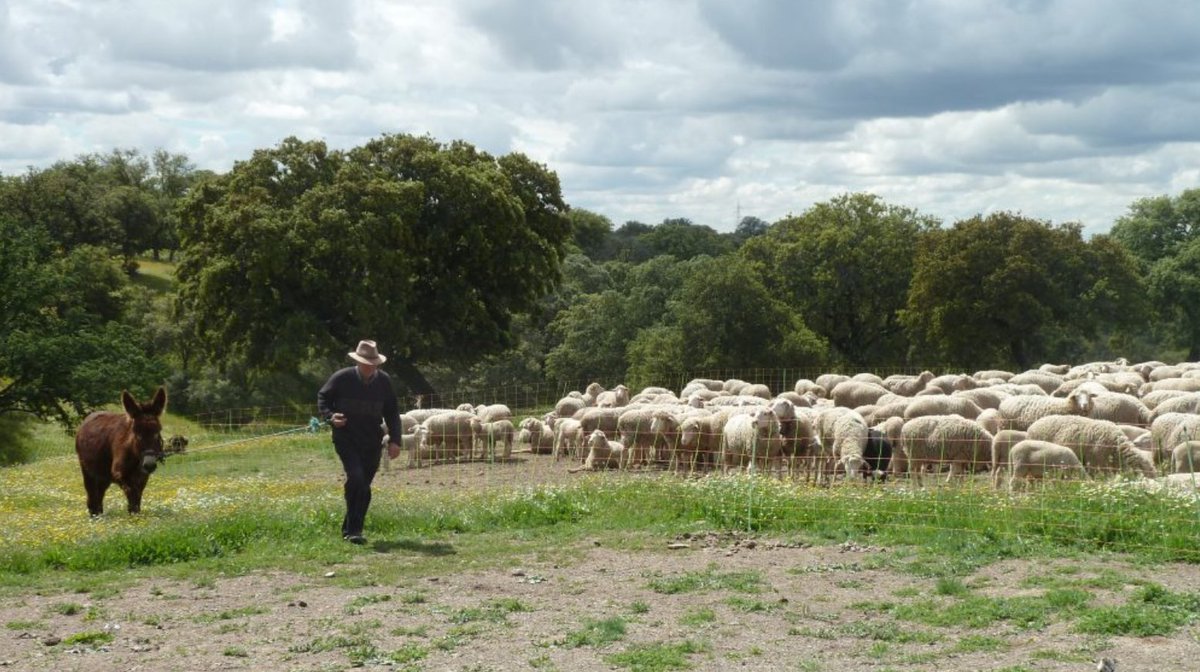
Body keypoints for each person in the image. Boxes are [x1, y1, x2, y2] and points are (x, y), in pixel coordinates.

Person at [317, 339, 402, 545]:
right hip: (346, 438)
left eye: (372, 363)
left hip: (372, 440)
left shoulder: (384, 381)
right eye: (365, 362)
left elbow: (392, 411)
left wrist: (395, 441)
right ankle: (354, 530)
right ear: (357, 361)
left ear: (377, 363)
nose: (368, 366)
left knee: (363, 485)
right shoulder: (342, 378)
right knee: (355, 477)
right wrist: (330, 416)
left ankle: (352, 529)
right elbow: (323, 398)